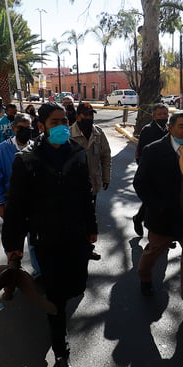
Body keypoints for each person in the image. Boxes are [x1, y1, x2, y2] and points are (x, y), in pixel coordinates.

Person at [2, 102, 97, 367]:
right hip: (47, 238)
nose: (61, 127)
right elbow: (16, 207)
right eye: (54, 122)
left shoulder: (78, 154)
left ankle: (55, 314)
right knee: (56, 296)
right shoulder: (27, 159)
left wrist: (91, 227)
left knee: (76, 286)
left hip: (77, 237)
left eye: (64, 121)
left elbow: (85, 195)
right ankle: (61, 351)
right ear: (41, 126)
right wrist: (13, 245)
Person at [133, 111, 183, 321]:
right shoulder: (153, 150)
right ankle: (144, 277)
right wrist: (157, 206)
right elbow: (140, 183)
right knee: (153, 252)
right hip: (164, 217)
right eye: (181, 126)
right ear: (170, 127)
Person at [0, 112, 40, 295]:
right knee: (13, 244)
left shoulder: (35, 149)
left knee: (35, 241)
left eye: (29, 129)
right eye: (21, 129)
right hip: (12, 205)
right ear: (13, 128)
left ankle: (38, 275)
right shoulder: (3, 149)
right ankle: (10, 279)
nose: (25, 132)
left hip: (33, 205)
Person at [71, 102, 111, 261]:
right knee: (75, 219)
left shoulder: (99, 133)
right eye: (85, 115)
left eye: (91, 115)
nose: (89, 118)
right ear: (77, 116)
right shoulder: (68, 134)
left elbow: (106, 156)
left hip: (93, 185)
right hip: (74, 187)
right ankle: (76, 247)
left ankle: (88, 248)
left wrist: (106, 177)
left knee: (90, 217)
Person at [132, 104, 170, 237]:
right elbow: (141, 152)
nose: (163, 117)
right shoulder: (147, 130)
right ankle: (153, 230)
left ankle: (162, 233)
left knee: (162, 199)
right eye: (160, 114)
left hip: (166, 172)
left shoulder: (169, 130)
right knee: (153, 200)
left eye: (165, 114)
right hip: (150, 171)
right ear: (153, 116)